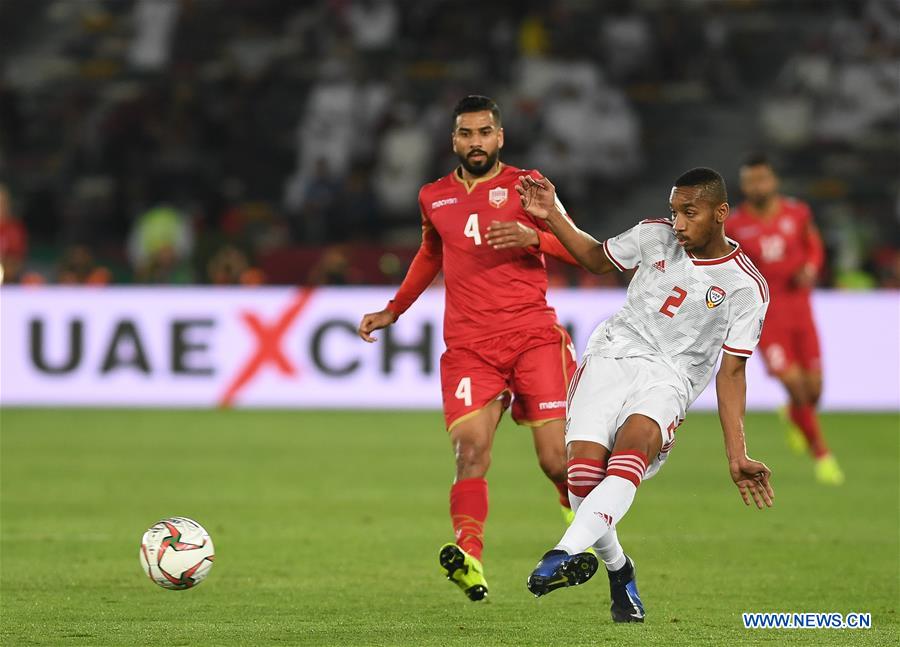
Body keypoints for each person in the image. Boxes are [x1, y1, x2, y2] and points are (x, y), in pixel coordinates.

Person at [514, 168, 775, 623]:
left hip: (669, 379)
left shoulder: (745, 288)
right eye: (675, 211)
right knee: (581, 479)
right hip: (611, 355)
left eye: (689, 213)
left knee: (631, 450)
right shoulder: (654, 236)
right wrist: (552, 214)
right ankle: (620, 570)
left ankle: (560, 553)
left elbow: (731, 373)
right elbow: (596, 259)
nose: (677, 223)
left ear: (720, 213)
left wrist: (738, 453)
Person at [357, 95, 580, 602]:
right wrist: (395, 309)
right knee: (470, 451)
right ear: (453, 140)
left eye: (484, 133)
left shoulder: (531, 187)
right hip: (469, 348)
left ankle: (585, 532)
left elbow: (582, 248)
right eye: (465, 133)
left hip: (532, 339)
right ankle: (470, 558)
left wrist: (534, 236)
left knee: (555, 463)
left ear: (500, 137)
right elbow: (429, 254)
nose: (475, 142)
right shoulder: (433, 197)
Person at [727, 154, 843, 485]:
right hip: (767, 315)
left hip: (801, 310)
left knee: (814, 391)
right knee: (795, 385)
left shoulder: (798, 212)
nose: (757, 186)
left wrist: (811, 267)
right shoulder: (735, 225)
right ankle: (822, 455)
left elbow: (813, 245)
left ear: (773, 181)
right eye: (750, 180)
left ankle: (794, 415)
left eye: (762, 179)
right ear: (744, 185)